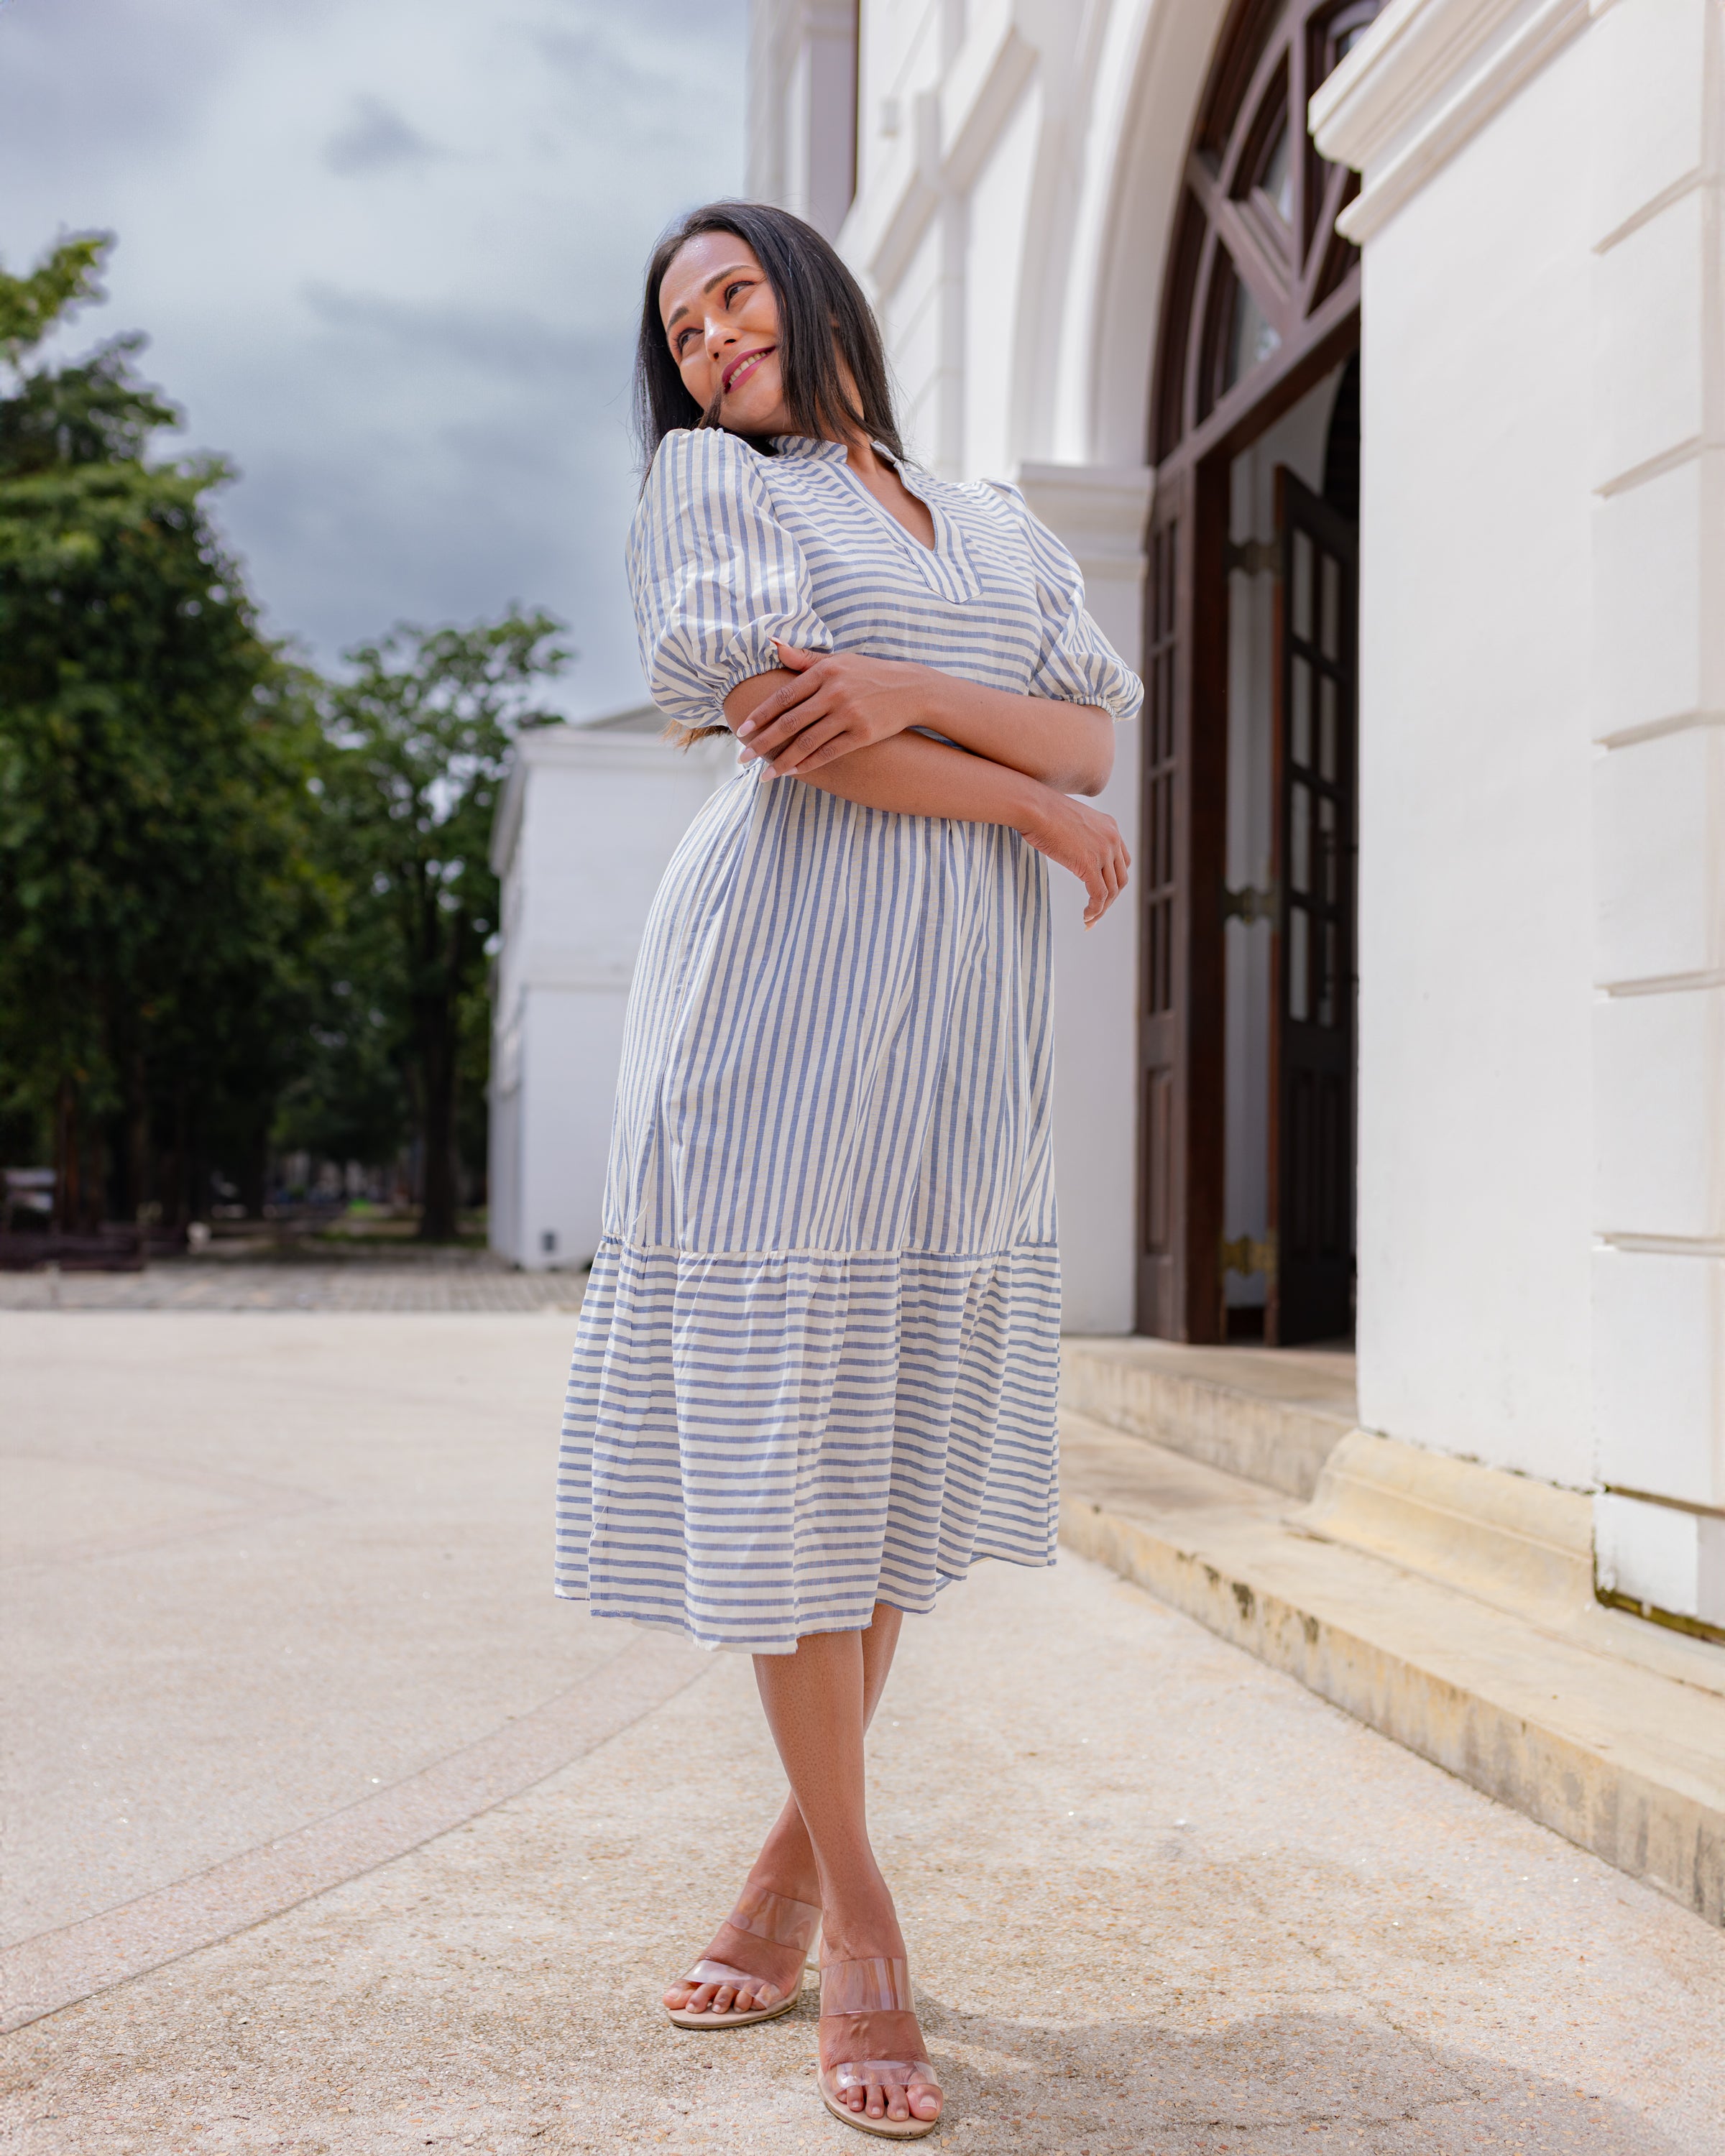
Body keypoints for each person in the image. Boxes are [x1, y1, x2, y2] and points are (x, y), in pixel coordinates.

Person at [556, 199, 1142, 2139]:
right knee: (791, 1452)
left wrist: (918, 698)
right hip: (778, 1016)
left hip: (955, 1044)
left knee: (880, 1461)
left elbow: (1090, 727)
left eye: (732, 293)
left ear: (811, 291)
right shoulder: (709, 488)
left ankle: (781, 1870)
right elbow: (782, 729)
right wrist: (1023, 804)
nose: (711, 335)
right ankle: (866, 1919)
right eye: (681, 321)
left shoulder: (990, 521)